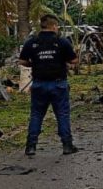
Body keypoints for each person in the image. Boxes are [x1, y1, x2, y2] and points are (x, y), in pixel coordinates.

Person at [19, 14, 80, 156]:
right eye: (57, 26)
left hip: (39, 84)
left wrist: (34, 63)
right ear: (53, 26)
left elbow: (22, 61)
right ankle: (67, 145)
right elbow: (74, 61)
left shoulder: (32, 42)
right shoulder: (62, 42)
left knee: (36, 115)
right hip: (58, 84)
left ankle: (30, 146)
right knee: (62, 115)